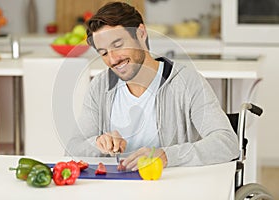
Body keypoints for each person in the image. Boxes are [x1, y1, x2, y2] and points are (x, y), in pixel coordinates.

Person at [66, 2, 239, 171]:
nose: (112, 59)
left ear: (141, 34)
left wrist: (167, 156)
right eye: (103, 52)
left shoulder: (186, 81)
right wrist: (98, 143)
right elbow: (72, 148)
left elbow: (226, 142)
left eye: (118, 45)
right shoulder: (100, 86)